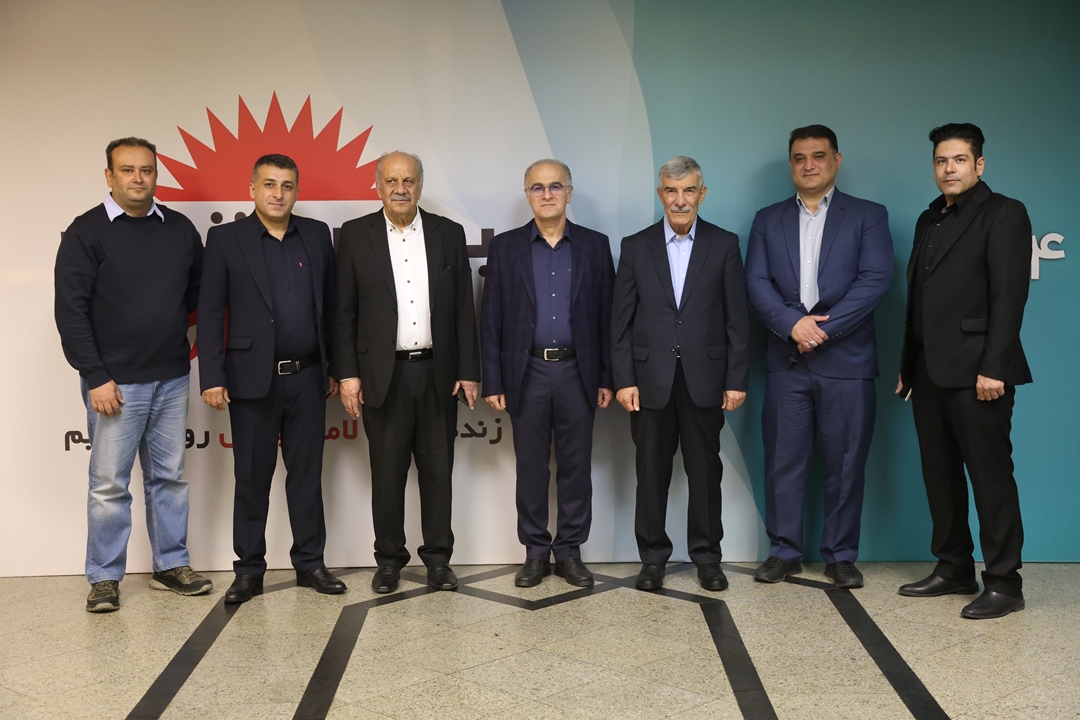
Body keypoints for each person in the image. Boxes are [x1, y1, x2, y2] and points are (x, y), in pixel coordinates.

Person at [55, 137, 212, 612]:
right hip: (115, 383)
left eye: (146, 170)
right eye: (127, 170)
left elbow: (198, 292)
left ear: (156, 174)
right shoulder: (85, 232)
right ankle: (104, 577)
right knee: (109, 486)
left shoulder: (179, 229)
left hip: (172, 375)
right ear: (109, 176)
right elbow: (70, 311)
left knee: (169, 479)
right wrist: (95, 375)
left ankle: (170, 565)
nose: (138, 178)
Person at [744, 125, 893, 588]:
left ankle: (841, 556)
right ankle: (783, 551)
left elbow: (875, 279)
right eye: (799, 157)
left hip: (847, 362)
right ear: (791, 163)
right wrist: (793, 325)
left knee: (846, 464)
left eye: (818, 156)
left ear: (836, 160)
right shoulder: (767, 219)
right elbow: (756, 282)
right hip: (787, 362)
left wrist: (820, 330)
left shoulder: (868, 215)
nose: (808, 165)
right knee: (783, 462)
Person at [897, 123, 1032, 619]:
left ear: (979, 164)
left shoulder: (1004, 212)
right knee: (941, 477)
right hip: (929, 371)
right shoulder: (928, 218)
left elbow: (1009, 295)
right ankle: (953, 567)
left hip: (980, 375)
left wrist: (994, 367)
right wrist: (908, 366)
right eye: (941, 161)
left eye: (958, 160)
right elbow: (919, 299)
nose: (948, 169)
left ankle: (1005, 583)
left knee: (990, 479)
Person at [198, 154, 346, 604]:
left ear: (297, 192)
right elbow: (210, 312)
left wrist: (337, 367)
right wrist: (212, 375)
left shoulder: (316, 235)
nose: (278, 194)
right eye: (269, 184)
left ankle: (311, 564)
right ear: (252, 189)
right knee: (251, 478)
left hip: (308, 377)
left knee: (307, 476)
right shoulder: (226, 239)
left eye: (286, 186)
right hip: (250, 380)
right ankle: (248, 570)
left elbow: (333, 308)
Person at [336, 151, 481, 594]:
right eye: (392, 180)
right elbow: (343, 312)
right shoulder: (354, 234)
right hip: (382, 377)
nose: (401, 189)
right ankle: (389, 561)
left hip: (437, 373)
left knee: (438, 472)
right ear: (377, 185)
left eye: (409, 180)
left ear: (420, 185)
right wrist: (348, 374)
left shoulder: (448, 233)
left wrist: (468, 370)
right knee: (387, 474)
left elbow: (463, 307)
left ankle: (438, 559)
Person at [611, 156, 750, 592]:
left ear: (701, 194)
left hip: (705, 380)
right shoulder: (635, 246)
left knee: (705, 473)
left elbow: (737, 320)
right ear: (660, 194)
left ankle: (707, 558)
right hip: (649, 382)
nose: (680, 200)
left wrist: (736, 379)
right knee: (651, 475)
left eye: (689, 190)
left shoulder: (724, 244)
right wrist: (624, 379)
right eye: (671, 191)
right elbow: (620, 322)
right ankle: (652, 559)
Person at [480, 159, 615, 588]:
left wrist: (606, 377)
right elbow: (491, 318)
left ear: (569, 193)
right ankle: (536, 553)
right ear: (527, 195)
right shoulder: (506, 248)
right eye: (537, 187)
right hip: (527, 372)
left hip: (578, 370)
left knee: (576, 467)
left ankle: (570, 552)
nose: (547, 194)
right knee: (531, 468)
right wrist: (494, 379)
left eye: (555, 186)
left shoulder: (595, 245)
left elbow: (608, 318)